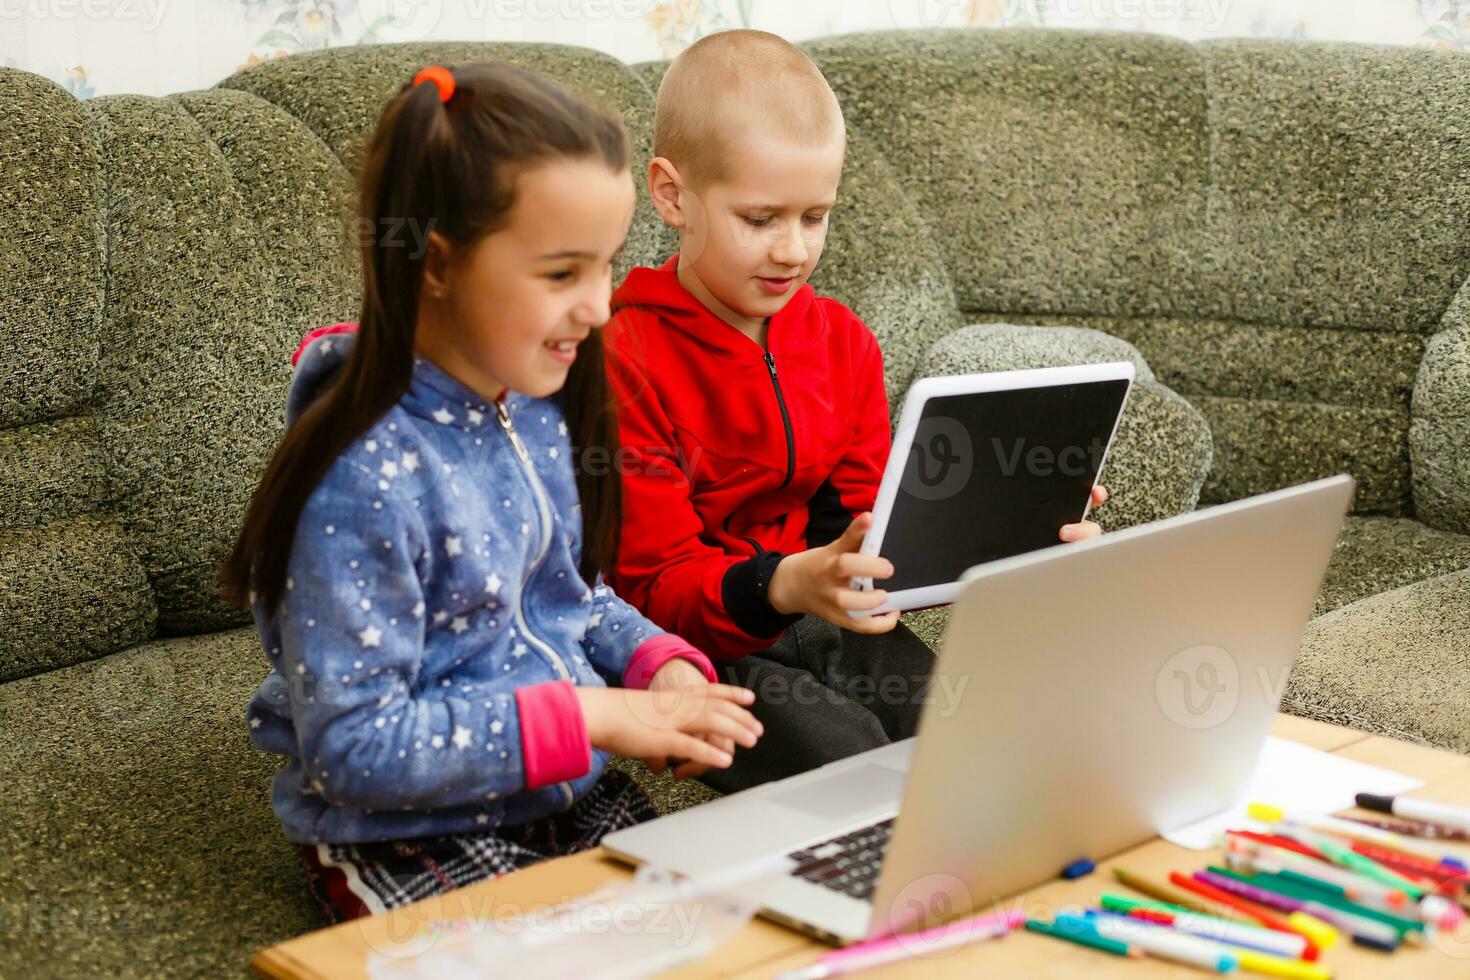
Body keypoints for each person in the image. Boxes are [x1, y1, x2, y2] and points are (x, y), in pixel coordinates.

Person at [220, 62, 761, 923]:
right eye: (561, 275)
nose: (600, 308)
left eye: (608, 267)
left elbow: (571, 596)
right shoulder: (362, 479)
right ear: (436, 263)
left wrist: (656, 668)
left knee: (741, 930)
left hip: (560, 801)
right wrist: (591, 717)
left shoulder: (537, 407)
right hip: (402, 835)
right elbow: (353, 747)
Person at [604, 32, 1105, 792]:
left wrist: (1007, 530)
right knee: (852, 768)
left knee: (977, 729)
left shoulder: (843, 342)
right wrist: (784, 585)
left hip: (823, 611)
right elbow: (654, 585)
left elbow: (869, 532)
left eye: (816, 216)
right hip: (697, 642)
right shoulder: (622, 356)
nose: (792, 251)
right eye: (761, 218)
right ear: (673, 195)